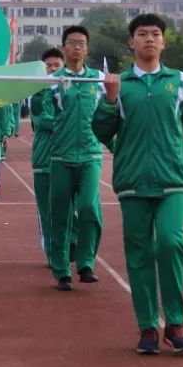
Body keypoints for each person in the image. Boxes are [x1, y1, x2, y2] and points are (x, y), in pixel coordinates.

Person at [91, 13, 183, 355]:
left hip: (173, 178)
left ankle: (175, 322)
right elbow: (101, 132)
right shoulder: (119, 84)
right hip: (132, 181)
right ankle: (147, 326)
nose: (149, 39)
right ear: (131, 42)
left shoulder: (180, 81)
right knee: (140, 253)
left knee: (171, 244)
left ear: (164, 41)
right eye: (142, 34)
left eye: (155, 34)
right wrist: (110, 100)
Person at [37, 25, 106, 291]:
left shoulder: (97, 80)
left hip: (90, 156)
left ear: (87, 48)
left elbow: (107, 114)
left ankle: (86, 263)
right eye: (72, 43)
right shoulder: (53, 82)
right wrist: (59, 126)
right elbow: (42, 116)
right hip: (60, 157)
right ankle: (62, 269)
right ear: (64, 47)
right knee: (60, 214)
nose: (76, 47)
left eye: (81, 43)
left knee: (89, 207)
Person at [29, 47, 64, 257]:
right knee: (47, 211)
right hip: (44, 160)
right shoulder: (36, 94)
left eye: (56, 65)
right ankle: (51, 250)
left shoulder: (70, 91)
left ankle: (68, 245)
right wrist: (67, 123)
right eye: (48, 66)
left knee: (72, 208)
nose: (52, 69)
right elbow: (41, 121)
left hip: (68, 160)